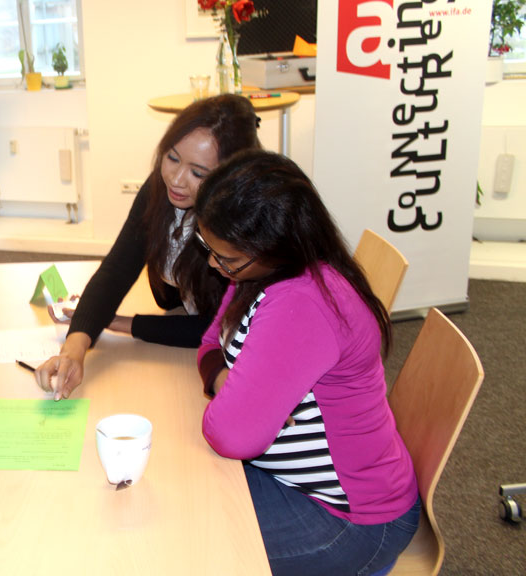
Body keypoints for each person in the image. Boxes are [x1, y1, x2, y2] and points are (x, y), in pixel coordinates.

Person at [193, 150, 420, 575]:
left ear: (273, 246)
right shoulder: (262, 273)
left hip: (349, 519)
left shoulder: (302, 301)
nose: (213, 264)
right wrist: (227, 381)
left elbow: (230, 434)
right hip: (298, 485)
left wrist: (238, 402)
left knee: (195, 536)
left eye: (225, 257)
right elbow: (210, 342)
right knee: (183, 488)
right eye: (209, 248)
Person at [35, 94, 261, 400]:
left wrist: (122, 323)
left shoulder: (240, 225)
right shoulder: (160, 189)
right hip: (178, 313)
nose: (176, 179)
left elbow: (215, 329)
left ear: (229, 177)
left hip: (214, 348)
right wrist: (74, 349)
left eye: (198, 173)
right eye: (172, 157)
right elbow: (116, 270)